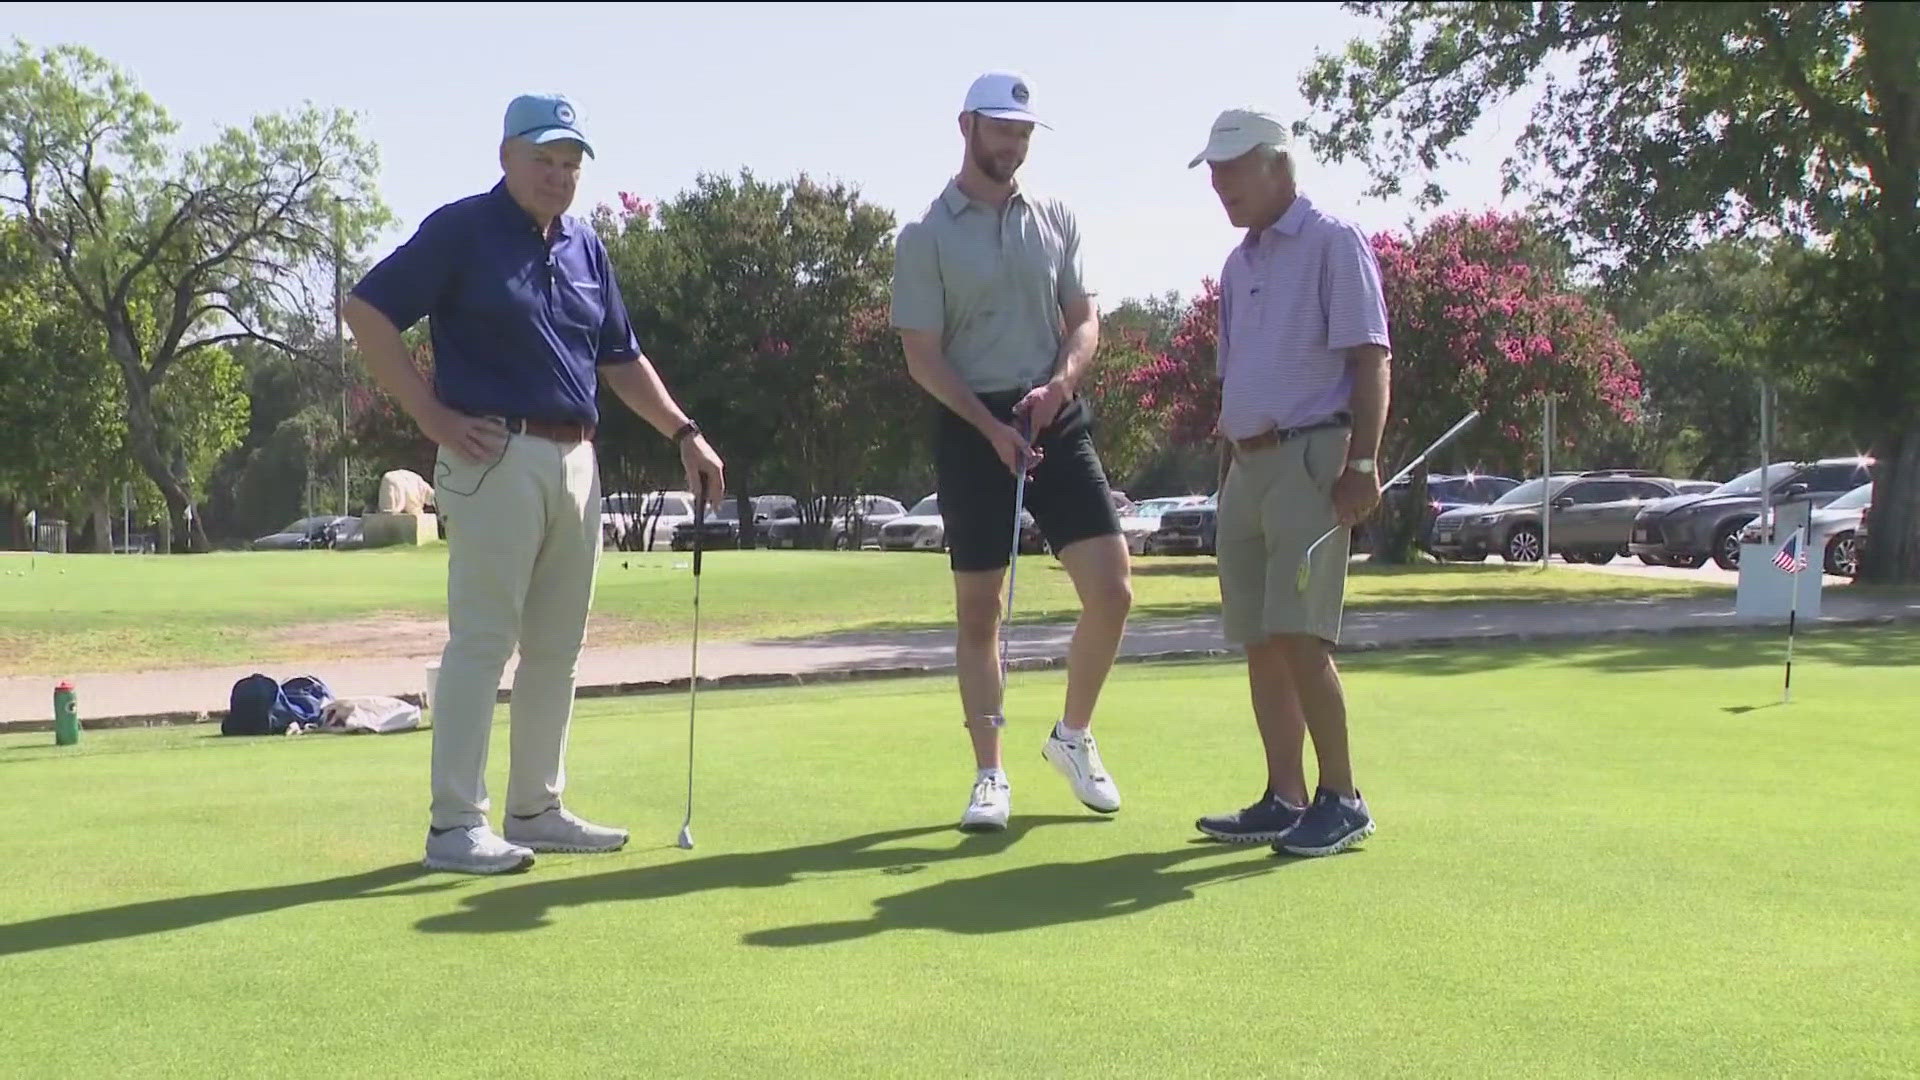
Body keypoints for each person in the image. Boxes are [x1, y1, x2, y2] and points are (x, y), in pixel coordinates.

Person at [344, 93, 725, 875]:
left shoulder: (586, 248)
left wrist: (683, 431)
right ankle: (456, 825)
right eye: (544, 160)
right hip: (492, 455)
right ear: (506, 157)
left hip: (576, 461)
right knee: (484, 641)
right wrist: (432, 416)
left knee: (557, 647)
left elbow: (621, 358)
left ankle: (536, 808)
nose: (558, 176)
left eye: (570, 164)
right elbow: (368, 311)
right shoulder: (462, 230)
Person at [890, 72, 1134, 833]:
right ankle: (989, 774)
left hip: (1052, 413)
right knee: (979, 610)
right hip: (971, 424)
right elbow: (923, 357)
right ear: (966, 126)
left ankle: (1072, 736)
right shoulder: (926, 234)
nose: (1015, 142)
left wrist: (1056, 391)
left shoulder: (1056, 216)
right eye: (1002, 128)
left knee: (1113, 590)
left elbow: (1085, 322)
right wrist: (990, 427)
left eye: (1025, 131)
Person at [1186, 109, 1392, 857]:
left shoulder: (1334, 242)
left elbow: (1371, 359)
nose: (1218, 183)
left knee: (1303, 634)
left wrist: (1362, 466)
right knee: (1261, 638)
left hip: (1313, 457)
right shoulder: (1239, 266)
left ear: (1278, 165)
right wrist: (1227, 468)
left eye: (1232, 167)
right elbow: (1235, 376)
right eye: (1212, 169)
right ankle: (1285, 795)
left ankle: (1343, 797)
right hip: (1246, 464)